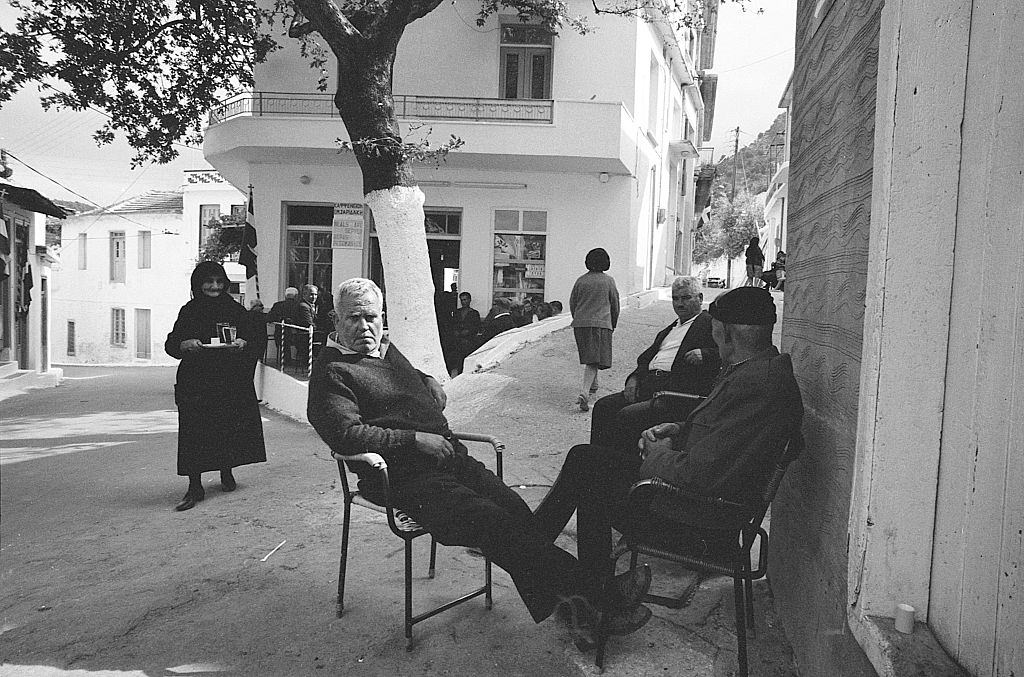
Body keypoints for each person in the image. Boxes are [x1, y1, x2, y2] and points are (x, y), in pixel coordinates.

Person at [307, 278, 654, 647]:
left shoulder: (385, 349)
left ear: (382, 316)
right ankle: (599, 595)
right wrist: (414, 440)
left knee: (514, 510)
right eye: (354, 319)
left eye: (372, 317)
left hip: (449, 457)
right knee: (490, 520)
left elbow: (401, 378)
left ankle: (576, 604)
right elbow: (344, 436)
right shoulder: (331, 371)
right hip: (401, 478)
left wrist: (426, 380)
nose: (365, 327)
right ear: (336, 320)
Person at [534, 286, 803, 582]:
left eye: (714, 332)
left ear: (726, 333)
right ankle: (537, 548)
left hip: (697, 518)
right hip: (700, 499)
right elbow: (723, 434)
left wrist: (657, 453)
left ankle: (582, 582)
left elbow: (699, 473)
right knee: (584, 458)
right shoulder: (756, 369)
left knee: (589, 475)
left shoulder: (753, 384)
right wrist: (678, 429)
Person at [164, 261, 267, 512]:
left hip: (227, 381)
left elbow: (254, 339)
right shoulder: (188, 311)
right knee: (194, 432)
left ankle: (226, 471)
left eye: (219, 282)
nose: (214, 286)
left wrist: (244, 343)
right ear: (198, 284)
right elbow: (171, 344)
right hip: (196, 382)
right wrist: (183, 345)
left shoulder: (235, 310)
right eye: (209, 282)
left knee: (225, 427)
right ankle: (194, 485)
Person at [590, 276, 721, 453]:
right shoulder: (671, 328)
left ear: (700, 298)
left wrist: (706, 354)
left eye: (686, 298)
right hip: (648, 385)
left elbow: (730, 350)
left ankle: (624, 469)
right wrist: (634, 378)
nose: (679, 304)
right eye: (675, 298)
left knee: (628, 416)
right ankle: (598, 461)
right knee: (603, 407)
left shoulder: (708, 323)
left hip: (674, 392)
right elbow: (646, 358)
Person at [570, 248, 620, 412]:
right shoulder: (608, 281)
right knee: (595, 359)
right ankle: (584, 391)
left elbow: (573, 303)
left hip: (580, 324)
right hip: (601, 324)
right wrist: (613, 323)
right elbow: (615, 304)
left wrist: (578, 319)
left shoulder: (580, 281)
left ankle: (593, 385)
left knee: (591, 356)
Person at [267, 286, 312, 366]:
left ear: (285, 296)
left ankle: (286, 360)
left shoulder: (277, 305)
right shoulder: (300, 305)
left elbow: (269, 317)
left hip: (280, 335)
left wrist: (280, 318)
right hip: (297, 335)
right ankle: (303, 361)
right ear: (296, 296)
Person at [446, 291, 482, 375]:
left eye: (465, 300)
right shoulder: (457, 312)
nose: (463, 302)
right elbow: (452, 324)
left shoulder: (474, 313)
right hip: (457, 341)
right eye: (462, 300)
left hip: (469, 340)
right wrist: (455, 331)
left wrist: (468, 332)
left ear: (469, 300)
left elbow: (477, 326)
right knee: (456, 359)